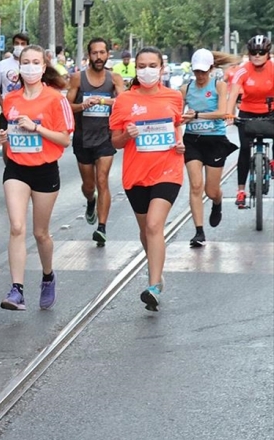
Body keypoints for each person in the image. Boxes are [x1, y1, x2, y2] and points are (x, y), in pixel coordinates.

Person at [0, 44, 73, 311]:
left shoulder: (55, 99)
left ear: (43, 66)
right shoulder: (11, 100)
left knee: (41, 233)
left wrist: (37, 128)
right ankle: (17, 290)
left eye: (35, 62)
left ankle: (48, 275)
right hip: (16, 169)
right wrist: (4, 139)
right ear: (18, 65)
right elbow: (8, 133)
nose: (30, 66)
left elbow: (64, 139)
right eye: (25, 61)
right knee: (17, 227)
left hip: (45, 170)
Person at [110, 47, 185, 312]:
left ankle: (153, 286)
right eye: (142, 65)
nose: (147, 70)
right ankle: (157, 269)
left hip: (168, 170)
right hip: (136, 174)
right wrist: (127, 136)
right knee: (146, 231)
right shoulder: (124, 101)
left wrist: (180, 144)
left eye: (152, 65)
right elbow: (115, 141)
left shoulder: (174, 97)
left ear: (162, 68)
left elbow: (176, 125)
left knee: (154, 225)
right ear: (136, 69)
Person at [66, 37, 123, 246]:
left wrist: (104, 101)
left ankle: (102, 228)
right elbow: (66, 107)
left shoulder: (114, 78)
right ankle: (91, 201)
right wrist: (83, 105)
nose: (98, 57)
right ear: (88, 55)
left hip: (105, 137)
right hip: (83, 138)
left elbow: (124, 102)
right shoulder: (77, 79)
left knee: (102, 181)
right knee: (89, 186)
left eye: (102, 52)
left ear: (108, 54)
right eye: (94, 53)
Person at [180, 49, 239, 247]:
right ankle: (199, 231)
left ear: (212, 69)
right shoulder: (185, 89)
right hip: (192, 140)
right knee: (196, 185)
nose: (200, 76)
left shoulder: (219, 86)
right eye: (197, 71)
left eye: (204, 71)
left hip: (214, 140)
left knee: (211, 189)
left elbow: (222, 112)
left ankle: (217, 201)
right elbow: (177, 116)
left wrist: (196, 115)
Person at [226, 35, 274, 209]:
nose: (257, 55)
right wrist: (229, 114)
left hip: (270, 110)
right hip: (247, 111)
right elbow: (233, 94)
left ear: (268, 53)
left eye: (261, 52)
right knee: (245, 148)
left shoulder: (273, 68)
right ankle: (241, 190)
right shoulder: (243, 70)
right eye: (253, 52)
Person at [0, 33, 30, 131]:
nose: (19, 46)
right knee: (6, 142)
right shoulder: (2, 65)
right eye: (17, 43)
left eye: (23, 43)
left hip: (28, 111)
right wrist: (3, 105)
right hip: (8, 111)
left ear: (27, 46)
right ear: (13, 45)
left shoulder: (31, 65)